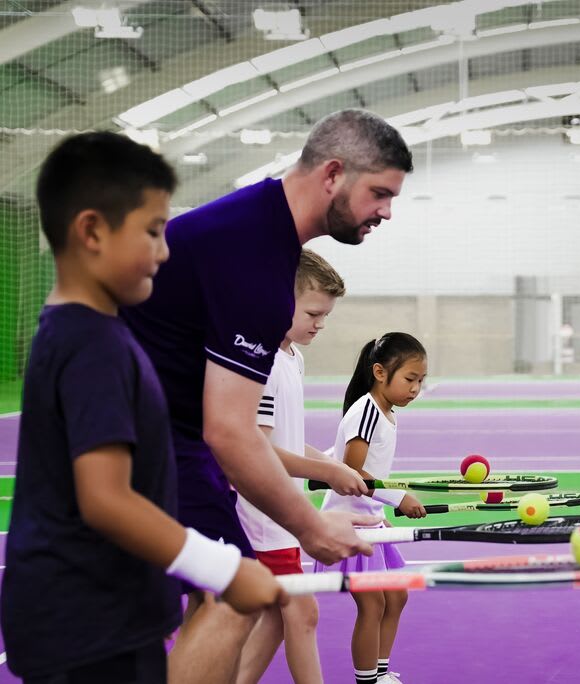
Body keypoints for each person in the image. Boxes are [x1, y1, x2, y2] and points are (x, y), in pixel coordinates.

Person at [120, 109, 414, 684]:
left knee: (224, 599)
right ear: (333, 174)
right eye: (379, 193)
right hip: (149, 442)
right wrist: (311, 525)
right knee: (234, 595)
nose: (386, 211)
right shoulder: (256, 262)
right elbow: (230, 429)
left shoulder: (262, 235)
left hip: (154, 437)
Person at [0, 132, 286, 683]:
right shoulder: (91, 346)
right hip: (87, 628)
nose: (165, 250)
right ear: (92, 232)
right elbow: (105, 499)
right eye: (153, 232)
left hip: (95, 618)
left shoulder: (85, 334)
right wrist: (224, 568)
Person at [235, 249, 348, 684]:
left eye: (326, 315)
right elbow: (257, 450)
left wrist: (331, 463)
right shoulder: (261, 361)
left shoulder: (293, 357)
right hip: (264, 510)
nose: (320, 324)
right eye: (313, 313)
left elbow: (283, 436)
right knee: (302, 609)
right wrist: (328, 473)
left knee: (278, 613)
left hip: (282, 507)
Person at [316, 333, 429, 684]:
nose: (416, 389)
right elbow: (353, 471)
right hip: (353, 523)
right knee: (373, 604)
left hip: (372, 520)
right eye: (410, 379)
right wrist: (399, 498)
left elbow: (341, 460)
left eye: (421, 381)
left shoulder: (383, 411)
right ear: (380, 372)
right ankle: (367, 681)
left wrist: (321, 465)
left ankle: (380, 674)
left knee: (396, 598)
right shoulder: (367, 409)